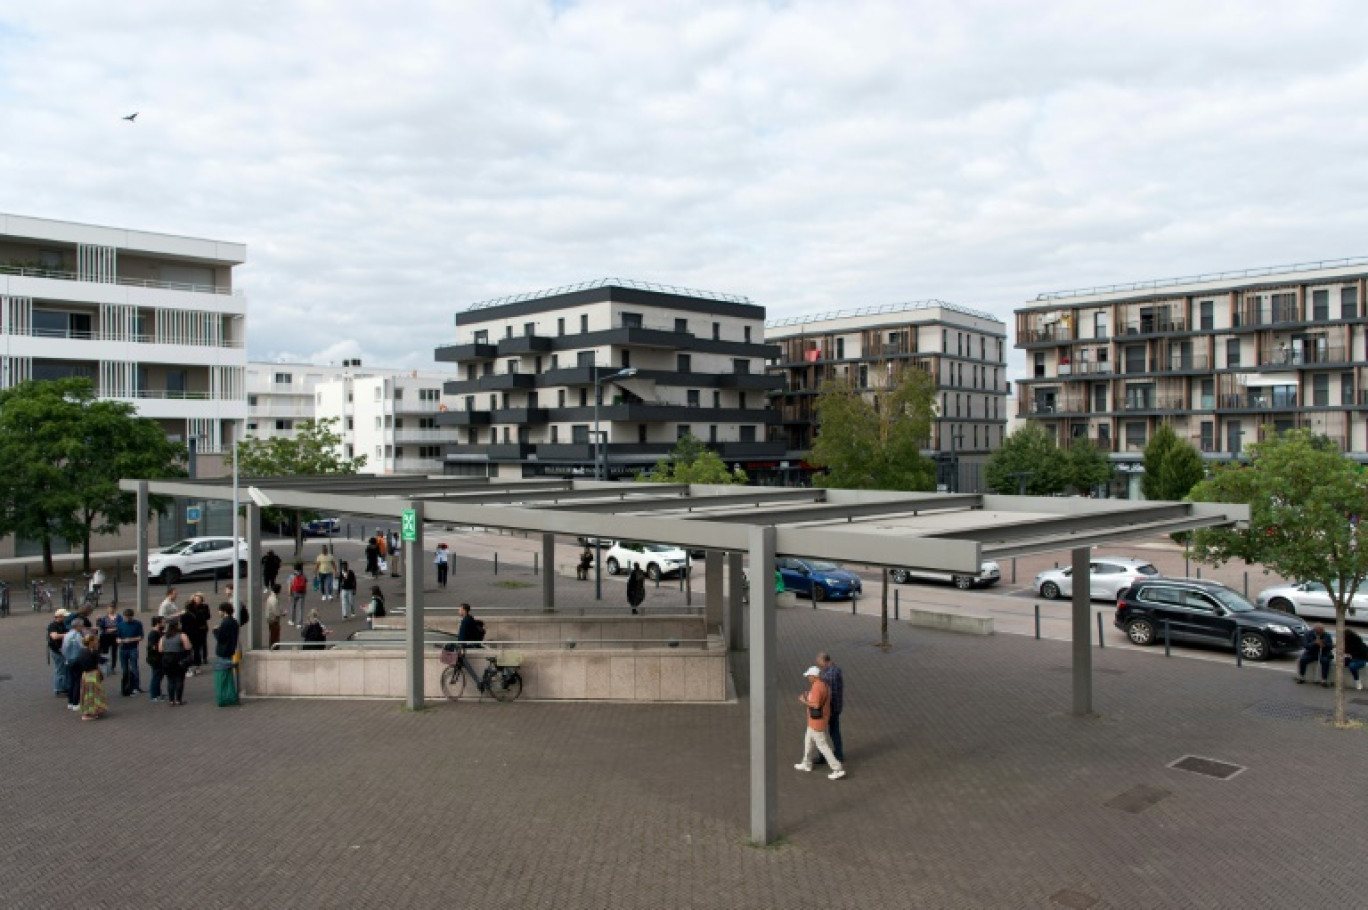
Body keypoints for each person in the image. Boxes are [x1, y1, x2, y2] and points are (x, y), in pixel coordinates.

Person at [794, 665, 845, 780]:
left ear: (814, 676)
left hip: (817, 721)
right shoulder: (824, 684)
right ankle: (806, 763)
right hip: (816, 720)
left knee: (822, 745)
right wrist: (809, 696)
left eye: (808, 676)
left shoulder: (817, 687)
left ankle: (837, 768)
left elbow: (816, 705)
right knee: (808, 741)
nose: (808, 678)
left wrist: (804, 701)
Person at [815, 651, 845, 764]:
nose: (819, 666)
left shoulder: (830, 674)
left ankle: (829, 755)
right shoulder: (835, 669)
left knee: (823, 732)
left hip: (831, 709)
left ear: (824, 661)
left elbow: (829, 693)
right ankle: (838, 753)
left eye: (819, 663)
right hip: (836, 707)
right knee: (834, 731)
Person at [159, 618, 192, 706]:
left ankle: (171, 700)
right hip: (178, 658)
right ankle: (178, 699)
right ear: (177, 626)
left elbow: (160, 649)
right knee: (179, 679)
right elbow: (188, 647)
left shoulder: (164, 637)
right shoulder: (182, 636)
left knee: (170, 680)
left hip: (166, 659)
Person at [75, 633, 107, 721]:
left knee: (86, 694)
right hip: (92, 674)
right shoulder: (93, 651)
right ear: (91, 642)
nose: (97, 642)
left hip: (85, 675)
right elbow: (101, 660)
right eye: (96, 641)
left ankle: (90, 710)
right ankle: (89, 713)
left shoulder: (81, 651)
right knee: (93, 694)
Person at [213, 603, 240, 707]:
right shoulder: (234, 622)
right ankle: (230, 696)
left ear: (224, 611)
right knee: (228, 676)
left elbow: (221, 638)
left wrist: (215, 630)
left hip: (223, 651)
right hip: (230, 650)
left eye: (219, 610)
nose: (218, 612)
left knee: (222, 678)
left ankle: (223, 698)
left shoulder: (225, 622)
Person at [455, 603, 485, 691]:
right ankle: (478, 681)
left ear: (464, 610)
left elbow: (462, 636)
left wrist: (459, 645)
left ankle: (478, 681)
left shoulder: (465, 621)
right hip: (475, 642)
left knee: (462, 659)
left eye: (459, 609)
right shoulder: (469, 618)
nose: (458, 611)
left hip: (472, 644)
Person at [115, 608, 144, 697]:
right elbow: (117, 637)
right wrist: (119, 640)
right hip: (123, 649)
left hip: (133, 648)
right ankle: (125, 687)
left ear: (132, 617)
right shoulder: (120, 625)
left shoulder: (138, 624)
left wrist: (130, 639)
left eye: (129, 617)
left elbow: (141, 637)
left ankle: (136, 687)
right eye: (126, 617)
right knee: (125, 670)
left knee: (134, 668)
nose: (127, 619)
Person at [1297, 623, 1335, 687]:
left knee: (1325, 661)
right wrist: (1314, 643)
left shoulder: (1327, 635)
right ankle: (1301, 677)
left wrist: (1324, 645)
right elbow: (1306, 646)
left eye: (1322, 631)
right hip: (1311, 652)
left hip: (1324, 653)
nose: (1320, 633)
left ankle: (1324, 680)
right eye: (1319, 631)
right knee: (1303, 660)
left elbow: (1330, 646)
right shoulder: (1308, 634)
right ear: (1315, 630)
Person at [48, 609, 71, 696]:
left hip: (61, 650)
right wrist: (67, 635)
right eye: (64, 617)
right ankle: (59, 688)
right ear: (60, 616)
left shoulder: (62, 625)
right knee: (60, 669)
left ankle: (63, 687)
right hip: (57, 650)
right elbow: (54, 636)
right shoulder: (53, 625)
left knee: (63, 668)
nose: (65, 618)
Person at [146, 616, 166, 702]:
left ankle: (158, 693)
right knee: (156, 676)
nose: (164, 624)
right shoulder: (153, 634)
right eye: (163, 622)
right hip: (155, 659)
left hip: (159, 658)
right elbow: (153, 647)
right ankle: (154, 695)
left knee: (159, 676)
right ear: (158, 623)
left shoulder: (160, 632)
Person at [96, 604, 120, 674]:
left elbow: (120, 626)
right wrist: (98, 620)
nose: (111, 610)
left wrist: (112, 629)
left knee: (114, 652)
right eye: (109, 609)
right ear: (107, 609)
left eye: (112, 608)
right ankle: (105, 667)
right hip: (105, 637)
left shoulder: (118, 617)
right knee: (104, 652)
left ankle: (112, 667)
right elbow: (100, 626)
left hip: (114, 636)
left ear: (115, 609)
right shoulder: (104, 618)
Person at [1342, 627, 1367, 691]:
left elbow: (1350, 651)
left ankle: (1357, 681)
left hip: (1361, 659)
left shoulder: (1357, 643)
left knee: (1352, 666)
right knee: (1341, 663)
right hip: (1353, 658)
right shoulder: (1349, 642)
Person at [265, 583, 282, 649]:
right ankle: (274, 648)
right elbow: (276, 613)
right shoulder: (274, 600)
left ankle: (272, 647)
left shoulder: (270, 597)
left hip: (270, 619)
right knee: (275, 636)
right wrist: (282, 613)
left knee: (272, 635)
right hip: (274, 620)